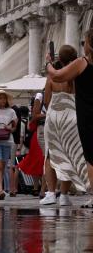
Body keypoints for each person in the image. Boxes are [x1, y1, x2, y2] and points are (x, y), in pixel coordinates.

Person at [42, 44, 89, 205]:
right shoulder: (77, 76)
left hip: (54, 117)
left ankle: (50, 193)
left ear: (59, 59)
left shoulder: (52, 79)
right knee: (68, 154)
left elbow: (46, 101)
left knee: (51, 155)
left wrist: (48, 62)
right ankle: (63, 195)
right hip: (72, 117)